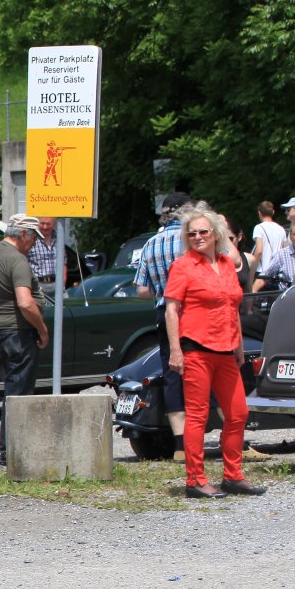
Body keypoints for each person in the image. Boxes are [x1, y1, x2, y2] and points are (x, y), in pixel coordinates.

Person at [166, 208, 265, 499]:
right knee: (197, 415)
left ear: (215, 235)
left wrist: (239, 346)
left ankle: (233, 476)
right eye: (192, 233)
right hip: (196, 348)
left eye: (203, 231)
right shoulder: (183, 266)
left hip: (226, 349)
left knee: (238, 412)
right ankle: (195, 480)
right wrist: (175, 350)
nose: (197, 237)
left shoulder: (225, 264)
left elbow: (232, 307)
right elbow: (171, 310)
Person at [0, 214, 49, 464]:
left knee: (11, 390)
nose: (34, 243)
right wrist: (42, 329)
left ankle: (8, 450)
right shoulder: (17, 259)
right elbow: (25, 302)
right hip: (17, 331)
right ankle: (12, 452)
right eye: (33, 238)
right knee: (19, 393)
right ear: (22, 234)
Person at [135, 192, 192, 457]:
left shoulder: (151, 243)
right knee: (203, 370)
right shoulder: (191, 239)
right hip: (192, 312)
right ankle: (224, 437)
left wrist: (162, 291)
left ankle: (180, 445)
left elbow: (141, 289)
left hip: (163, 313)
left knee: (172, 375)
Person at [257, 219, 295, 290]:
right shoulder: (282, 255)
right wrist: (253, 291)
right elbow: (264, 276)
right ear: (291, 236)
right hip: (288, 294)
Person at [251, 201, 287, 275]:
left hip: (262, 271)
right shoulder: (281, 229)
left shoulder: (259, 228)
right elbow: (285, 250)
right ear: (273, 212)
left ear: (259, 213)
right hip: (277, 271)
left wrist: (252, 269)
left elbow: (259, 251)